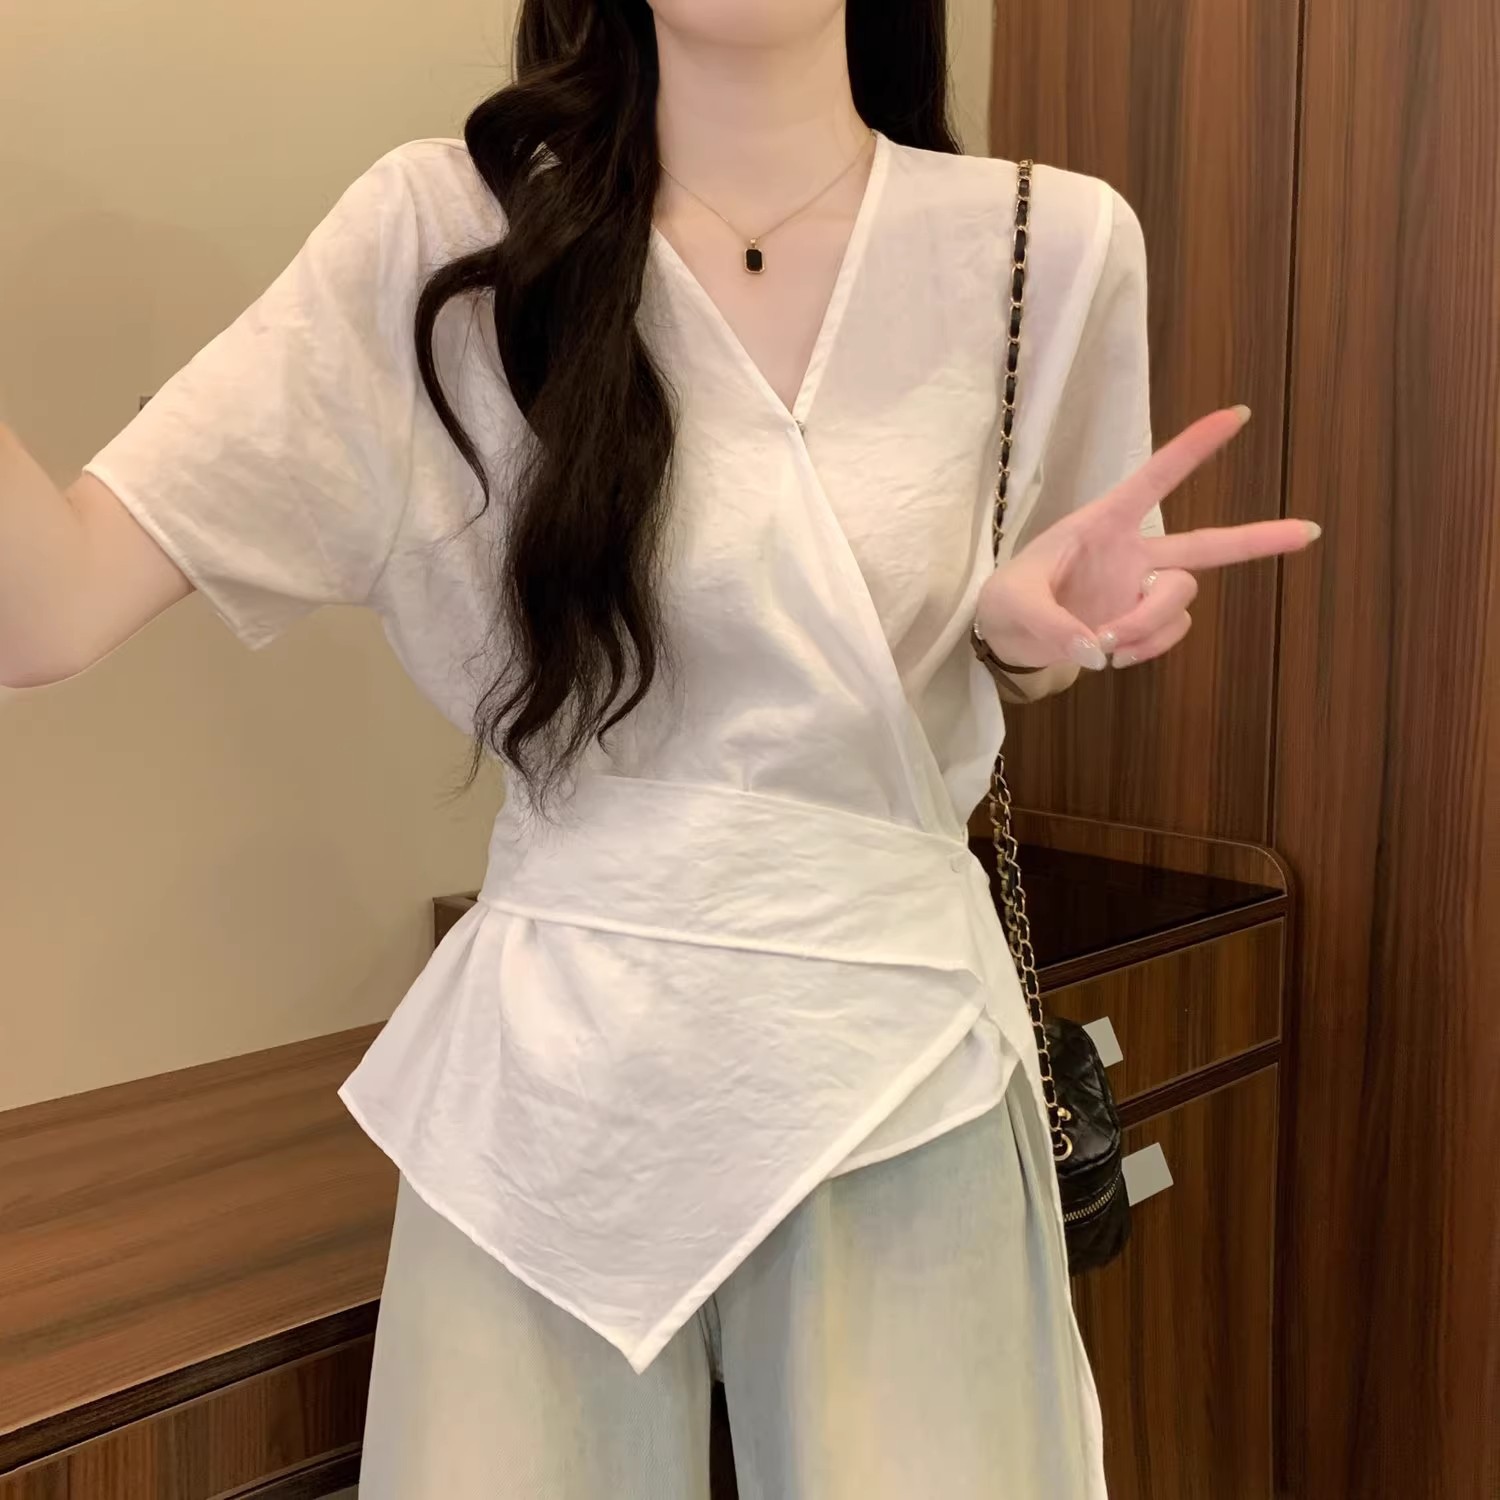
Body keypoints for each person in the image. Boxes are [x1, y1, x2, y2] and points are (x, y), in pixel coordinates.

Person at [0, 1, 1319, 1495]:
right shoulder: (444, 235)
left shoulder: (1047, 242)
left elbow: (1024, 644)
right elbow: (46, 611)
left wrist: (1020, 631)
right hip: (549, 1084)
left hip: (900, 1063)